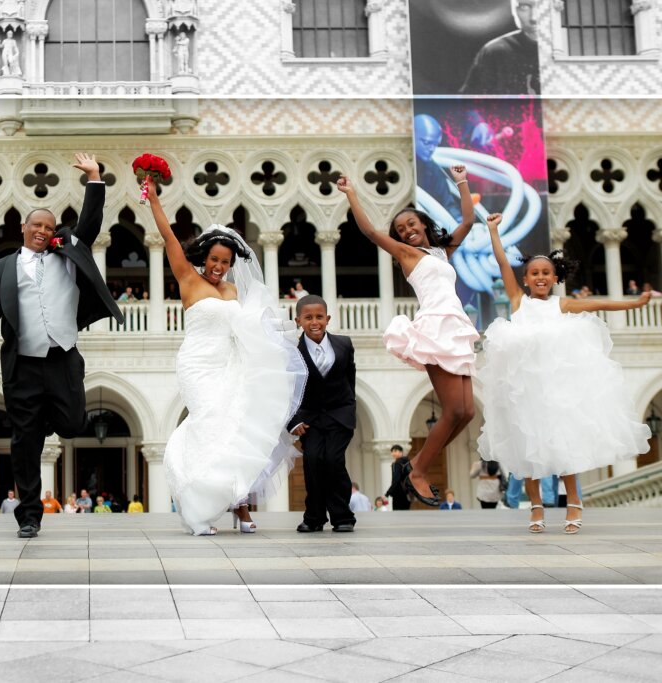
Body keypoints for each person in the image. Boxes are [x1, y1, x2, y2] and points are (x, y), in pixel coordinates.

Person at [0, 153, 122, 539]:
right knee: (25, 444)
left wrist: (94, 178)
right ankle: (30, 515)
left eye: (49, 226)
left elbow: (88, 224)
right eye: (37, 224)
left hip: (63, 359)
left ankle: (49, 414)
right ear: (23, 227)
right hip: (23, 366)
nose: (43, 230)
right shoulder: (0, 270)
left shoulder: (69, 255)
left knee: (72, 424)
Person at [145, 178, 307, 536]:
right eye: (215, 259)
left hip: (231, 364)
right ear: (204, 257)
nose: (219, 266)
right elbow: (169, 238)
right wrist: (155, 201)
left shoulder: (233, 289)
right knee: (209, 425)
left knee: (236, 429)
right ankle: (197, 506)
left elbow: (252, 325)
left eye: (226, 261)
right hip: (198, 365)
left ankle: (241, 507)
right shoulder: (188, 279)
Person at [478, 213, 651, 534]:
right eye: (534, 273)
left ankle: (574, 501)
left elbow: (599, 305)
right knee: (527, 451)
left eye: (546, 272)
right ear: (526, 279)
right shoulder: (518, 301)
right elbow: (502, 262)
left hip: (555, 391)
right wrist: (492, 230)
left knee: (562, 448)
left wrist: (634, 304)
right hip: (523, 391)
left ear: (555, 277)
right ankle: (536, 508)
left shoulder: (562, 305)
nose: (540, 277)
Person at [337, 169, 478, 507]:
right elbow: (370, 231)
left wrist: (462, 181)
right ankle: (417, 470)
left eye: (411, 225)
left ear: (424, 224)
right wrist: (351, 193)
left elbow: (469, 221)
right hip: (434, 328)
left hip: (456, 326)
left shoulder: (442, 253)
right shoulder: (406, 254)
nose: (407, 231)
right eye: (400, 229)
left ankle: (414, 464)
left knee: (468, 412)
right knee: (453, 408)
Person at [288, 295, 357, 533]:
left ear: (327, 318)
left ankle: (343, 516)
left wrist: (350, 410)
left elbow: (350, 380)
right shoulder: (291, 352)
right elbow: (286, 390)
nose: (314, 322)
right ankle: (314, 517)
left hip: (340, 415)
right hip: (310, 418)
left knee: (334, 461)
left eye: (319, 317)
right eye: (308, 318)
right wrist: (293, 421)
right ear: (298, 320)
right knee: (313, 462)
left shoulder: (344, 344)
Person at [459, 0, 539, 96]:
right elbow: (468, 106)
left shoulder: (561, 54)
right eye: (524, 7)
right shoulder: (495, 52)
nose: (534, 17)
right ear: (513, 10)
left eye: (541, 5)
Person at [385, 445, 411, 511]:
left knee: (398, 515)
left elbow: (396, 480)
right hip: (407, 492)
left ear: (401, 452)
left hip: (398, 493)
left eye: (395, 451)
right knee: (406, 514)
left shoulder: (397, 463)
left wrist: (387, 494)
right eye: (392, 451)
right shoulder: (408, 462)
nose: (393, 453)